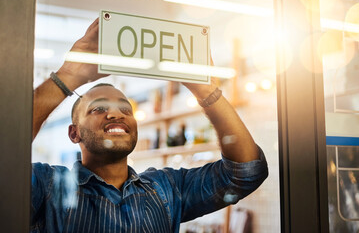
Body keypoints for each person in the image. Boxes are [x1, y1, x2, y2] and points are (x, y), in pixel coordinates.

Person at [31, 18, 268, 233]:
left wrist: (207, 92)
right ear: (74, 133)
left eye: (126, 109)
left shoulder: (166, 189)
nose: (116, 114)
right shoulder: (49, 186)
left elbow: (245, 173)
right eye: (99, 109)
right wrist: (68, 76)